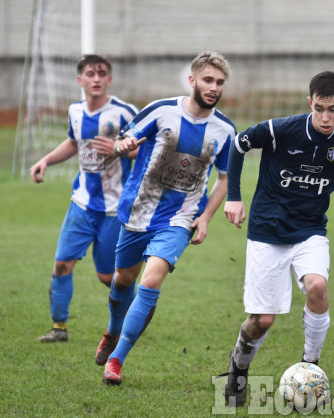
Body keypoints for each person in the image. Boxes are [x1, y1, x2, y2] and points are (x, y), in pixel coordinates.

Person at [222, 71, 334, 407]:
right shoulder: (281, 130)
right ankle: (239, 367)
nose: (326, 117)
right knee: (263, 320)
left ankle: (311, 369)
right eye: (320, 108)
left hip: (310, 231)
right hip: (267, 232)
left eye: (333, 109)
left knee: (318, 287)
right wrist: (233, 196)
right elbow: (237, 145)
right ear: (309, 103)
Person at [95, 51, 236, 385]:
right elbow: (122, 141)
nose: (213, 87)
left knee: (151, 280)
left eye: (219, 82)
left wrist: (204, 218)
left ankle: (116, 361)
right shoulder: (161, 110)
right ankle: (113, 330)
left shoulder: (225, 130)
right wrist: (122, 144)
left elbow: (226, 180)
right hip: (137, 211)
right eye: (208, 80)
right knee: (122, 280)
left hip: (180, 217)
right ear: (192, 80)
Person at [30, 54, 139, 343]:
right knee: (62, 265)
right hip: (81, 204)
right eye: (90, 74)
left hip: (115, 210)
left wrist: (119, 149)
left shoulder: (125, 113)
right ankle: (59, 328)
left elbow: (151, 149)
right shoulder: (75, 111)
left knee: (109, 278)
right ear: (80, 80)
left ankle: (138, 312)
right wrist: (46, 161)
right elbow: (72, 141)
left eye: (102, 74)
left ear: (109, 80)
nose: (96, 79)